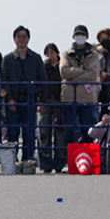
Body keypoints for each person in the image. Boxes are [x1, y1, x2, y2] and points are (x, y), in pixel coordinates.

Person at [0, 25, 46, 165]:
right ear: (14, 39)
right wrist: (9, 100)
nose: (21, 39)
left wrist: (41, 101)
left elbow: (42, 80)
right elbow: (4, 80)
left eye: (24, 36)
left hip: (30, 101)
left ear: (28, 39)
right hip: (13, 101)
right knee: (13, 132)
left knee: (29, 133)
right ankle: (13, 162)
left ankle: (28, 159)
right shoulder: (7, 59)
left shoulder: (36, 58)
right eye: (19, 36)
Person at [60, 24, 101, 144]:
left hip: (87, 98)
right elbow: (64, 71)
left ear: (87, 36)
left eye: (82, 34)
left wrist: (73, 76)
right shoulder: (66, 54)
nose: (80, 37)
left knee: (89, 133)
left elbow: (93, 75)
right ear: (73, 36)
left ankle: (90, 162)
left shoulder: (93, 55)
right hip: (69, 98)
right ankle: (70, 161)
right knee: (69, 133)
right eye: (78, 34)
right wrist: (83, 71)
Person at [38, 43, 66, 172]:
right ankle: (45, 164)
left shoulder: (62, 66)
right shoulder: (44, 67)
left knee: (59, 134)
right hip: (46, 101)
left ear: (57, 53)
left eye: (52, 52)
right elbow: (39, 83)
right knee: (44, 133)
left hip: (60, 103)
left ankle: (59, 163)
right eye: (47, 53)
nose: (50, 55)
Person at [96, 28, 110, 107]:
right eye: (101, 40)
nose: (103, 41)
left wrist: (107, 76)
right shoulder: (101, 58)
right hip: (104, 95)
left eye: (106, 38)